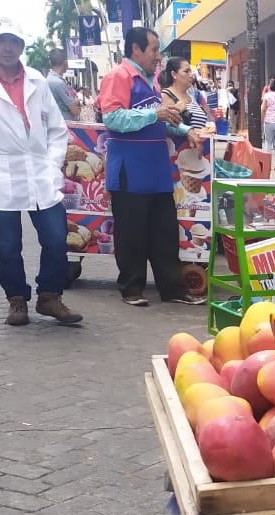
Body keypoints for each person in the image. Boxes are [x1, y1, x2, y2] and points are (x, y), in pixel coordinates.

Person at [0, 17, 82, 327]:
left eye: (14, 41)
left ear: (22, 46)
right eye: (1, 40)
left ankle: (50, 296)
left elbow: (57, 128)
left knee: (55, 236)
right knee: (8, 245)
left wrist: (51, 164)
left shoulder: (36, 79)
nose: (8, 47)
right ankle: (17, 299)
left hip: (39, 170)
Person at [98, 25, 206, 307]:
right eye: (154, 49)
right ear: (136, 49)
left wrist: (185, 131)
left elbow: (163, 118)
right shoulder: (118, 76)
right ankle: (131, 289)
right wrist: (153, 114)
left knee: (164, 231)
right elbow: (113, 119)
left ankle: (171, 288)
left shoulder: (151, 81)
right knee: (131, 232)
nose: (158, 56)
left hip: (157, 169)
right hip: (130, 169)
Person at [159, 57, 208, 128]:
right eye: (186, 71)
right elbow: (166, 126)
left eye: (191, 71)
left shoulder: (191, 96)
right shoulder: (166, 96)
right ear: (174, 74)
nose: (191, 75)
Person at [45, 48, 80, 122]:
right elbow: (74, 110)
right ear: (65, 63)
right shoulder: (59, 83)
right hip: (65, 123)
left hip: (54, 120)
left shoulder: (47, 80)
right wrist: (76, 101)